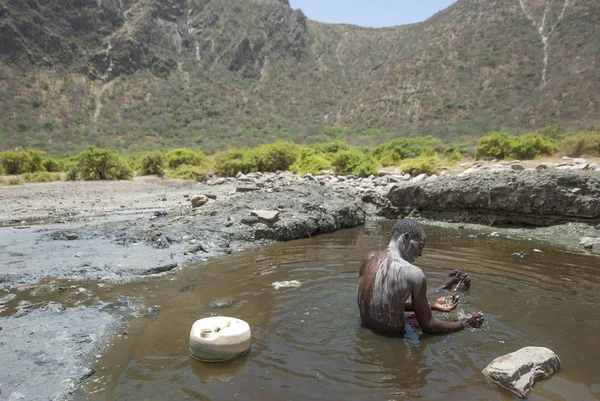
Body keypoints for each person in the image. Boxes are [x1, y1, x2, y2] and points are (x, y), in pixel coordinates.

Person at [357, 219, 484, 335]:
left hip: (366, 329)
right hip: (396, 337)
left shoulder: (368, 258)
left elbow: (386, 303)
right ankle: (452, 293)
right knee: (447, 318)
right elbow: (429, 327)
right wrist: (464, 324)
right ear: (405, 238)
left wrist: (432, 305)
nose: (420, 254)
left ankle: (441, 293)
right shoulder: (413, 272)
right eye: (420, 246)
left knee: (427, 309)